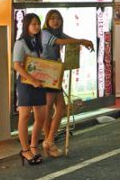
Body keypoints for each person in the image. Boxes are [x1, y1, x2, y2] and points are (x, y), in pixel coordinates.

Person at [40, 10, 94, 158]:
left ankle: (49, 140)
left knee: (59, 108)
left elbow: (69, 39)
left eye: (58, 18)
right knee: (50, 108)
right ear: (47, 20)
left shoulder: (58, 33)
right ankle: (49, 141)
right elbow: (61, 42)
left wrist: (82, 41)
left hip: (54, 73)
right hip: (47, 73)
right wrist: (82, 40)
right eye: (52, 18)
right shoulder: (45, 33)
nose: (55, 21)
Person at [14, 14, 48, 164]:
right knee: (25, 116)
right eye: (33, 24)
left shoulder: (38, 42)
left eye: (38, 24)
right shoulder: (20, 43)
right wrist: (32, 79)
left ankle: (34, 145)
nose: (36, 27)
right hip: (25, 83)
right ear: (26, 25)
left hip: (39, 82)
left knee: (41, 116)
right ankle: (25, 149)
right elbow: (16, 65)